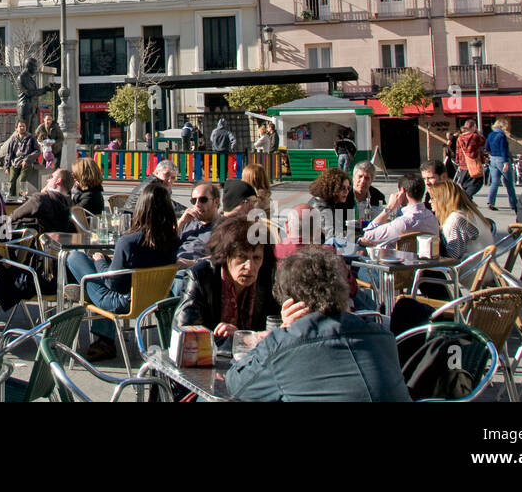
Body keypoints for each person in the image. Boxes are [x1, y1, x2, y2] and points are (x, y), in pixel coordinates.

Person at [225, 245, 411, 401]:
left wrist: (283, 330)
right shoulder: (382, 337)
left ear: (290, 302)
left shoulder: (282, 346)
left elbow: (237, 384)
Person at [69, 181, 181, 361]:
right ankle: (103, 337)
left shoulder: (129, 241)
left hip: (122, 301)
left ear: (141, 208)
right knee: (99, 270)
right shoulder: (173, 240)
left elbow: (112, 283)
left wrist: (99, 262)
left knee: (75, 258)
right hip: (157, 298)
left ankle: (103, 337)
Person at [174, 213, 279, 339]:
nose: (250, 266)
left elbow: (279, 325)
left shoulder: (267, 278)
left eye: (256, 258)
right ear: (225, 255)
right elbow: (185, 334)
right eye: (241, 257)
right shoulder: (200, 277)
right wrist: (223, 337)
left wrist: (242, 337)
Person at [360, 172, 440, 249]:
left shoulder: (404, 222)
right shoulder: (432, 218)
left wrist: (390, 207)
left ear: (402, 191)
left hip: (398, 261)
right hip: (426, 261)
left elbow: (367, 235)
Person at [429, 181, 494, 261]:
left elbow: (453, 256)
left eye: (432, 198)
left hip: (470, 270)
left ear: (442, 199)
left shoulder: (454, 219)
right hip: (484, 267)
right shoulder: (469, 212)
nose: (429, 201)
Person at [10, 167, 77, 234]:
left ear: (58, 181)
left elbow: (13, 216)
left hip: (21, 240)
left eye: (51, 177)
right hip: (55, 241)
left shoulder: (40, 199)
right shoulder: (73, 206)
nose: (48, 180)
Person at [123, 159, 187, 218]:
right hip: (134, 218)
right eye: (166, 175)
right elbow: (167, 204)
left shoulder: (162, 184)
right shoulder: (153, 186)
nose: (169, 180)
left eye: (173, 177)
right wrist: (186, 210)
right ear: (156, 173)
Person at [176, 181, 221, 264]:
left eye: (203, 200)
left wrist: (194, 263)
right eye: (193, 201)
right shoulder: (187, 223)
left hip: (198, 272)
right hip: (174, 268)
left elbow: (225, 256)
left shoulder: (224, 226)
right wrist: (181, 222)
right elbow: (165, 246)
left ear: (216, 202)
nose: (197, 204)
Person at [308, 168, 352, 245]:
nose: (347, 191)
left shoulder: (322, 201)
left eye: (348, 188)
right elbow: (333, 238)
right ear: (332, 187)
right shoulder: (322, 208)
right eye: (343, 188)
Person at [0, 120, 41, 197]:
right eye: (20, 126)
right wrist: (6, 166)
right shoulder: (13, 139)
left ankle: (22, 198)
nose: (22, 128)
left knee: (22, 180)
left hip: (26, 162)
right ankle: (12, 198)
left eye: (24, 126)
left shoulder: (31, 138)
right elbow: (9, 154)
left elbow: (37, 151)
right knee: (11, 180)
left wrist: (27, 159)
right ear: (16, 128)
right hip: (15, 162)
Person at [485, 117, 516, 212]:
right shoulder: (501, 135)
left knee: (494, 182)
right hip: (502, 159)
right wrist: (506, 162)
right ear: (503, 126)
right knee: (508, 182)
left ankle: (490, 201)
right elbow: (504, 149)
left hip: (493, 159)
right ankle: (514, 203)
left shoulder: (490, 135)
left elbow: (487, 147)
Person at [454, 119, 487, 198]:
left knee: (465, 184)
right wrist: (478, 133)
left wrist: (458, 162)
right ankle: (466, 199)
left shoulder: (459, 138)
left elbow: (457, 151)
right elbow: (483, 142)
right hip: (473, 164)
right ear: (473, 127)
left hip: (463, 165)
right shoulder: (475, 136)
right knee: (477, 182)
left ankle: (467, 200)